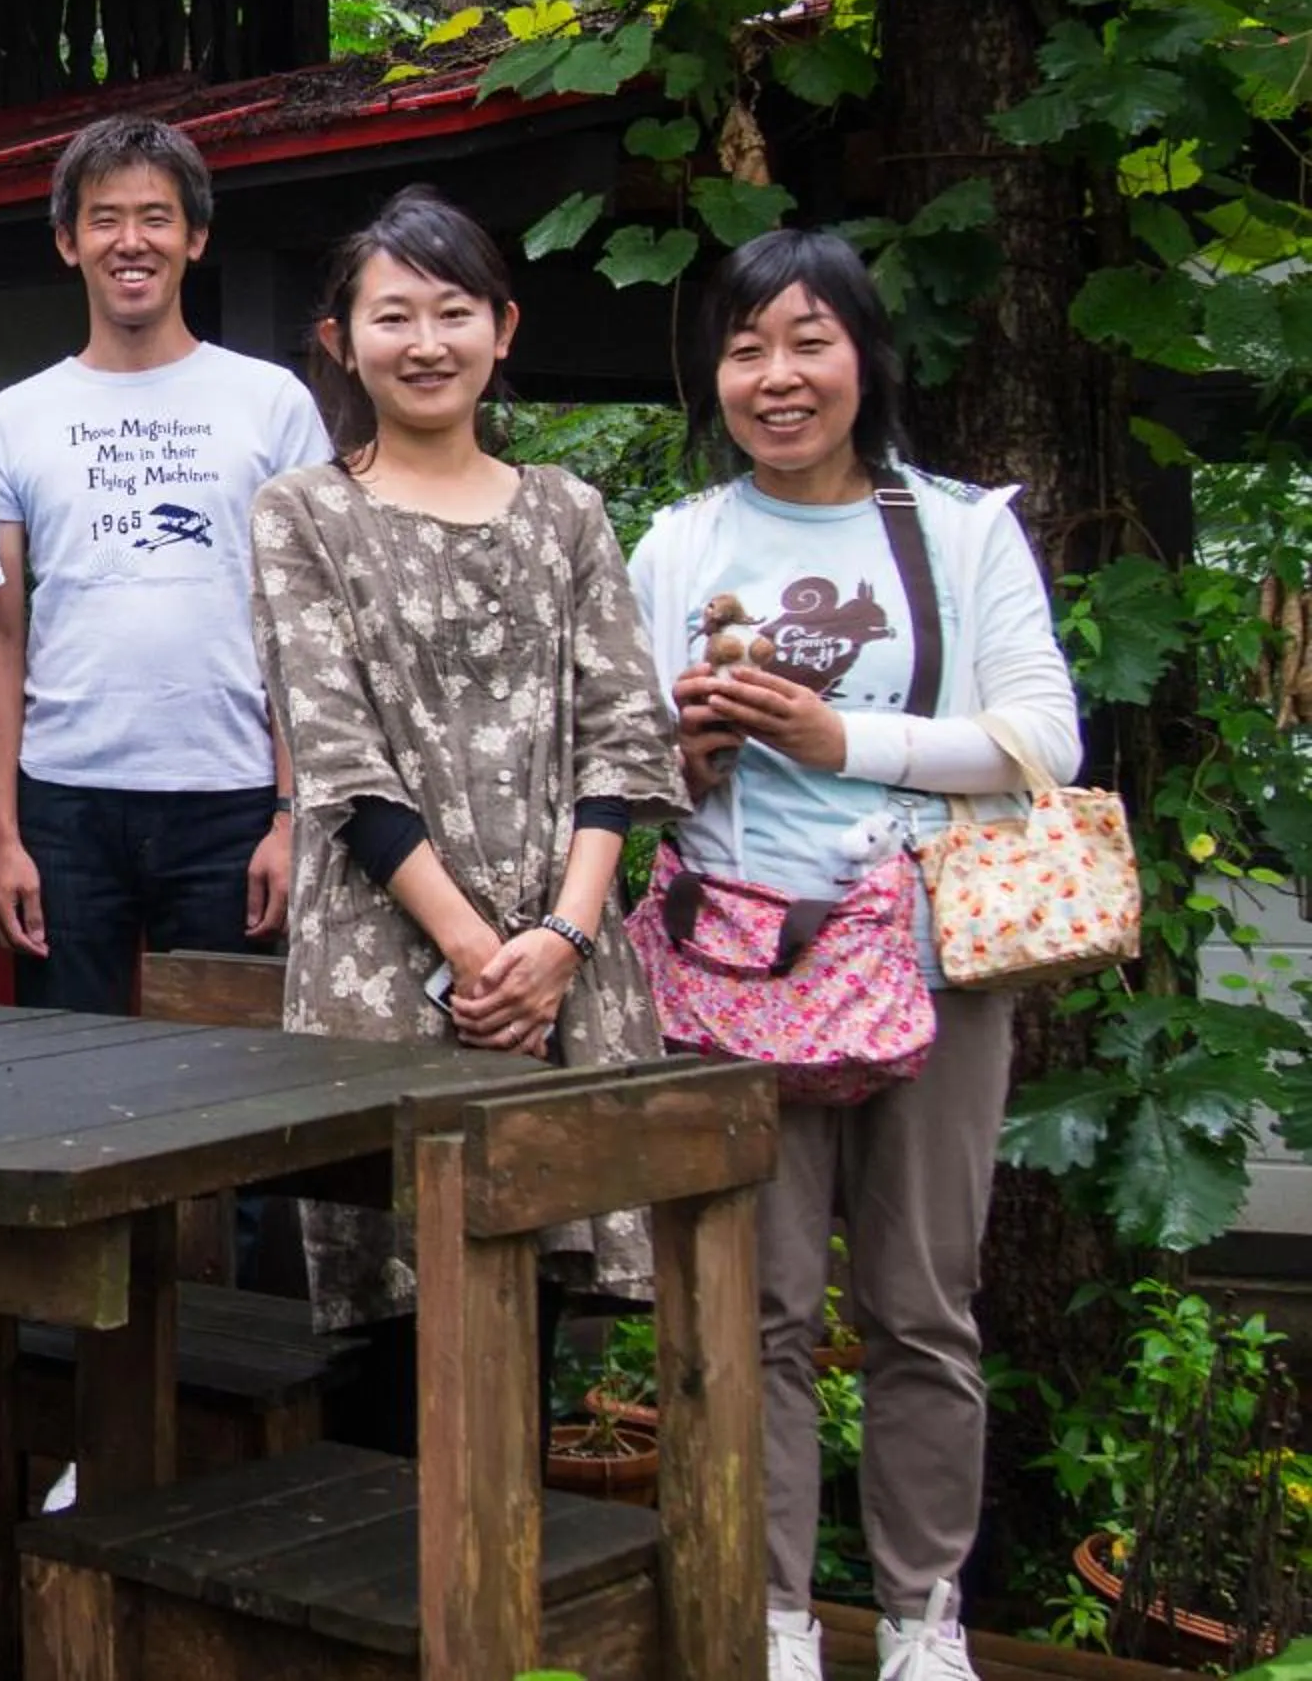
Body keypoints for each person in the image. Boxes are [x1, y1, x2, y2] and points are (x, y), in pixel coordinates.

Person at [628, 230, 1077, 1681]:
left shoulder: (956, 528)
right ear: (715, 371)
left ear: (865, 356)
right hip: (739, 963)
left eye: (809, 341)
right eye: (748, 346)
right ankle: (770, 1614)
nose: (778, 375)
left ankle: (920, 1617)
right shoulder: (681, 541)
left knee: (919, 1305)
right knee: (752, 1311)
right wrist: (687, 754)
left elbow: (1044, 740)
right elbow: (631, 767)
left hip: (931, 960)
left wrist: (843, 739)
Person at [246, 184, 684, 1419]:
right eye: (393, 316)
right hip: (387, 964)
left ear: (504, 327)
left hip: (565, 953)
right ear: (341, 339)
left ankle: (504, 1611)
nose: (425, 342)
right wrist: (481, 954)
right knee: (396, 1325)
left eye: (454, 312)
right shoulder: (303, 513)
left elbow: (620, 735)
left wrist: (564, 939)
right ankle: (390, 1610)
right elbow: (335, 755)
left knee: (528, 1314)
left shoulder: (568, 512)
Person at [0, 112, 327, 1012]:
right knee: (63, 1065)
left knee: (229, 1070)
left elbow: (304, 626)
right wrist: (3, 833)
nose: (131, 242)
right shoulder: (12, 418)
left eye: (157, 217)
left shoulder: (271, 403)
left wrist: (290, 816)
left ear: (195, 236)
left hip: (231, 796)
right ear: (67, 241)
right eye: (104, 218)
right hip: (65, 799)